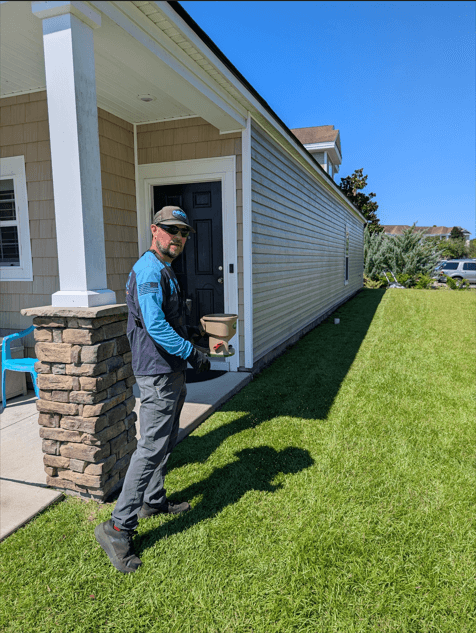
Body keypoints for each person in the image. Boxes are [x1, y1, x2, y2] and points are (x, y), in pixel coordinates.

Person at [95, 206, 210, 573]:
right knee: (150, 449)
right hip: (158, 373)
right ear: (154, 231)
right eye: (171, 230)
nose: (178, 237)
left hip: (170, 371)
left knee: (165, 438)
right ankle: (117, 527)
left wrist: (190, 333)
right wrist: (191, 351)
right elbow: (156, 327)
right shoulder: (147, 270)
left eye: (184, 233)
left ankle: (153, 499)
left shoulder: (165, 270)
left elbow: (167, 320)